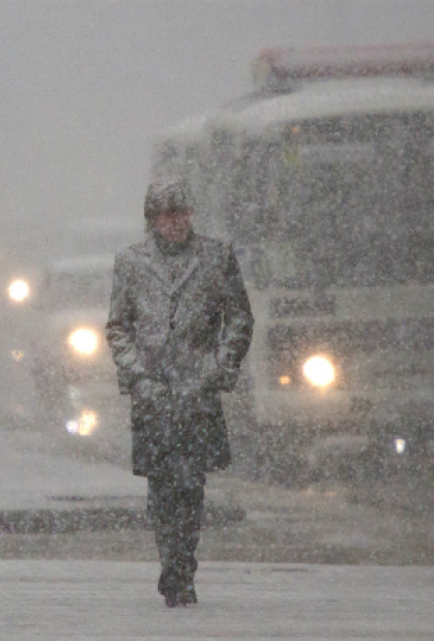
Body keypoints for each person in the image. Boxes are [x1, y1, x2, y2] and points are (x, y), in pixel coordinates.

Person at [105, 177, 253, 607]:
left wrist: (219, 365)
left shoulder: (216, 257)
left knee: (191, 484)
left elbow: (238, 318)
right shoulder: (130, 263)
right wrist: (136, 373)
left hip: (197, 393)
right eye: (168, 215)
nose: (177, 222)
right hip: (153, 395)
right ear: (152, 220)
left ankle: (182, 564)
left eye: (182, 213)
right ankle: (169, 554)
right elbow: (118, 326)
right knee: (161, 486)